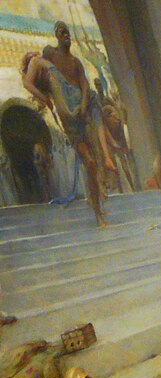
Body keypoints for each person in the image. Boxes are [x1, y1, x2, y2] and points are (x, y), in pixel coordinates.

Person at [22, 22, 108, 226]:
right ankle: (97, 214)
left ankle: (96, 206)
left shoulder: (77, 63)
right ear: (57, 38)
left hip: (83, 115)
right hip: (70, 122)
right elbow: (27, 82)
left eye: (67, 32)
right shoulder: (48, 58)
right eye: (61, 33)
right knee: (90, 162)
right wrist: (44, 98)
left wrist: (84, 105)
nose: (66, 36)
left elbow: (85, 85)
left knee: (95, 164)